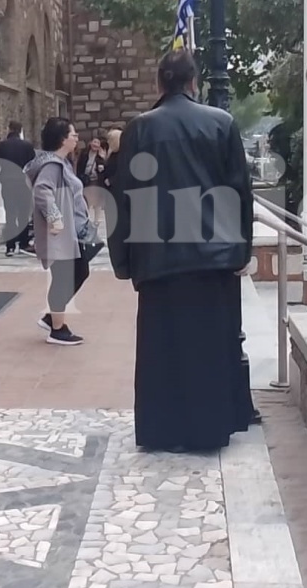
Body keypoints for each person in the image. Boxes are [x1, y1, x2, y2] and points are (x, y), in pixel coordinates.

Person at [109, 50, 255, 452]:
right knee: (210, 348)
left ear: (159, 82)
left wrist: (123, 260)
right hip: (213, 256)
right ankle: (209, 429)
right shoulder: (221, 124)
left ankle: (162, 431)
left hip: (158, 257)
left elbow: (124, 197)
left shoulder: (138, 130)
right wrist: (241, 250)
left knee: (163, 349)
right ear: (194, 82)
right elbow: (239, 192)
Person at [24, 118, 92, 346]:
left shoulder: (60, 163)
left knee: (77, 271)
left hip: (69, 231)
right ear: (63, 139)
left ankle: (52, 318)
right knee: (67, 276)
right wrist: (55, 218)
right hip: (60, 232)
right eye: (73, 135)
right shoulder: (52, 165)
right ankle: (57, 329)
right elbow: (42, 191)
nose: (76, 138)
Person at [0, 121, 37, 256]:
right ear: (20, 130)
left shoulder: (1, 146)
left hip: (8, 182)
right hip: (24, 183)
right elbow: (34, 166)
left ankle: (10, 246)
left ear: (8, 129)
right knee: (23, 214)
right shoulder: (27, 146)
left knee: (10, 214)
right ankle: (23, 243)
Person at [76, 133, 108, 236]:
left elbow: (104, 169)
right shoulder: (84, 154)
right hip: (85, 179)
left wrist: (102, 161)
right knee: (86, 201)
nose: (95, 145)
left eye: (98, 143)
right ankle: (86, 219)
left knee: (97, 201)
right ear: (90, 143)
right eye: (94, 142)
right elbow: (80, 166)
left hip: (96, 180)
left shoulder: (100, 156)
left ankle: (96, 221)